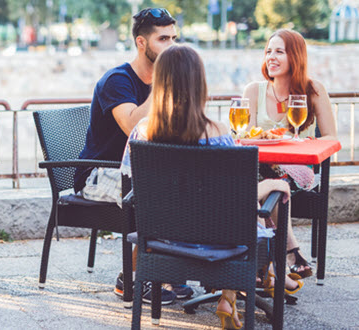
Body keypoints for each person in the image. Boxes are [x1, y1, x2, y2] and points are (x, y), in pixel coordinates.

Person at [118, 44, 302, 330]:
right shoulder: (218, 134)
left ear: (159, 83)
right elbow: (234, 197)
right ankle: (235, 292)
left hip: (162, 241)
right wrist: (271, 184)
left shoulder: (141, 132)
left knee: (238, 215)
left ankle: (234, 293)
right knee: (253, 215)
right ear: (199, 83)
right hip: (219, 242)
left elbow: (132, 187)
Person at [73, 7, 181, 304]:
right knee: (163, 192)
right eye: (163, 39)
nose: (171, 46)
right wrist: (163, 83)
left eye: (173, 39)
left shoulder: (166, 84)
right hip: (97, 173)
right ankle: (130, 277)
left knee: (188, 185)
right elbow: (134, 124)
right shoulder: (117, 81)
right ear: (141, 43)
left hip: (144, 171)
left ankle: (170, 271)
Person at [242, 29, 337, 279]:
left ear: (295, 56)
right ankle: (288, 255)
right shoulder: (254, 90)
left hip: (297, 168)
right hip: (260, 168)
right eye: (268, 51)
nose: (271, 57)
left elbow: (331, 137)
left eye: (279, 52)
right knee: (267, 181)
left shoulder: (313, 89)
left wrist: (300, 141)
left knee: (271, 181)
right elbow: (244, 135)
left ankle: (270, 260)